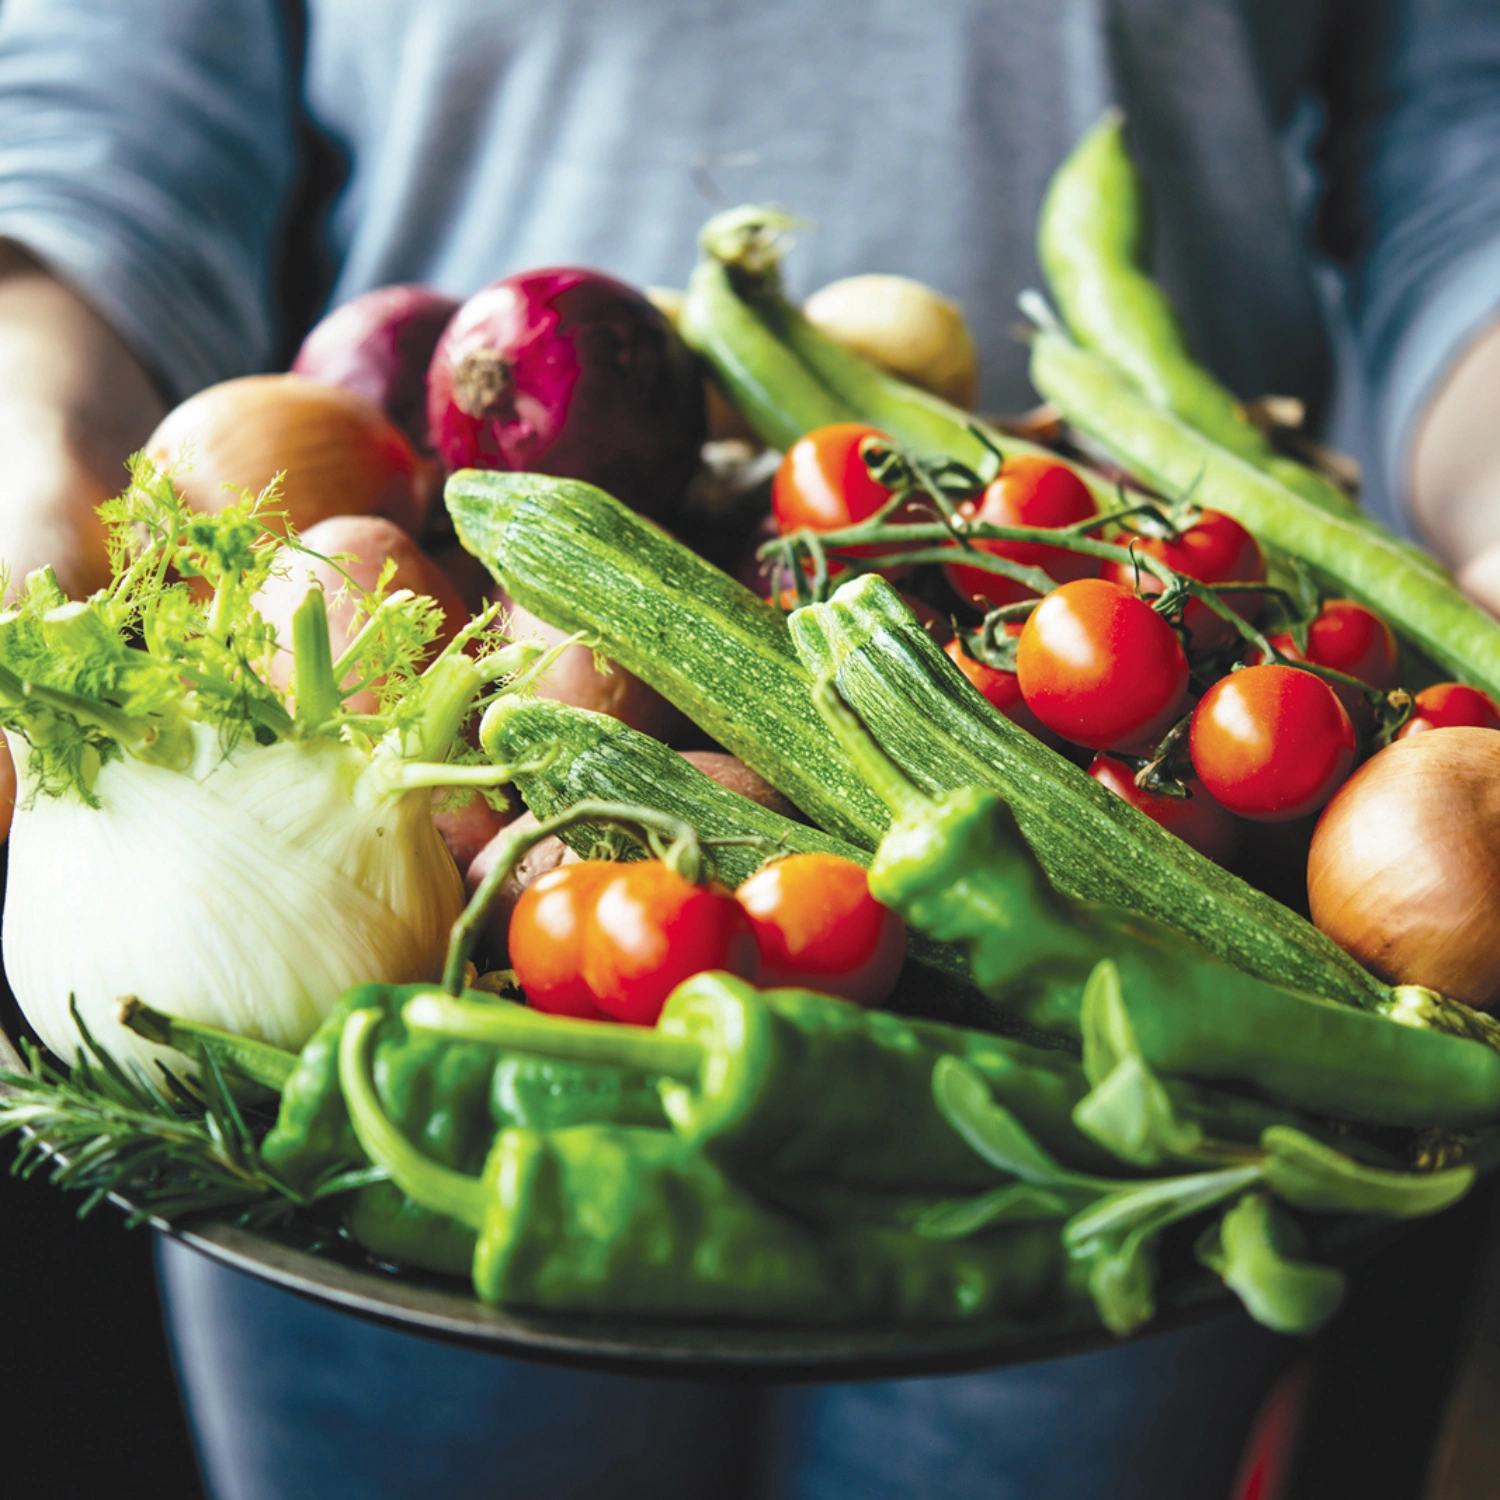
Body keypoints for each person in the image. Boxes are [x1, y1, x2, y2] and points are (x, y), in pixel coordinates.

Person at [1, 1, 1499, 1496]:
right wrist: (32, 454)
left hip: (1154, 700)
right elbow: (109, 101)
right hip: (402, 856)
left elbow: (1464, 140)